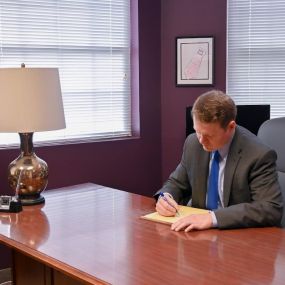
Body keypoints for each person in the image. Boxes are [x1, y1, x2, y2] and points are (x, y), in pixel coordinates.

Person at [155, 90, 283, 232]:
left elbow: (270, 208)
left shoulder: (258, 155)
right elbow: (176, 182)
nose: (201, 141)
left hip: (237, 235)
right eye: (197, 131)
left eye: (208, 135)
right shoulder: (193, 143)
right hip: (197, 232)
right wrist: (165, 196)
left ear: (230, 127)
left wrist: (213, 218)